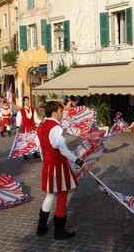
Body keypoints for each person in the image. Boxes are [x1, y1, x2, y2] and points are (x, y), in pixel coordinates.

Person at [36, 101, 88, 239]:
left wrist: (46, 161)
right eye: (61, 111)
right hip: (57, 166)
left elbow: (41, 148)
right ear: (54, 112)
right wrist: (80, 162)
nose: (62, 113)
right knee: (62, 195)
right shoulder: (55, 127)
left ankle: (41, 228)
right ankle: (59, 231)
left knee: (50, 194)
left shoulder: (41, 127)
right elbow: (63, 150)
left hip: (48, 165)